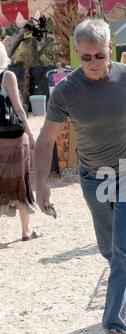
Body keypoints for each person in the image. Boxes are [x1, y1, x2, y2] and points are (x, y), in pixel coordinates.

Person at [34, 19, 126, 334]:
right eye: (86, 57)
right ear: (77, 55)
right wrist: (41, 185)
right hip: (94, 177)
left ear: (111, 50)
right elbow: (46, 139)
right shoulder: (66, 91)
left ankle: (114, 328)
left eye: (99, 55)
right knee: (110, 249)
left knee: (123, 247)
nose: (93, 63)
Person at [0, 41, 40, 241]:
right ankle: (25, 231)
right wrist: (31, 134)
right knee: (21, 183)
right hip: (14, 139)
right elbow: (18, 108)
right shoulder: (7, 76)